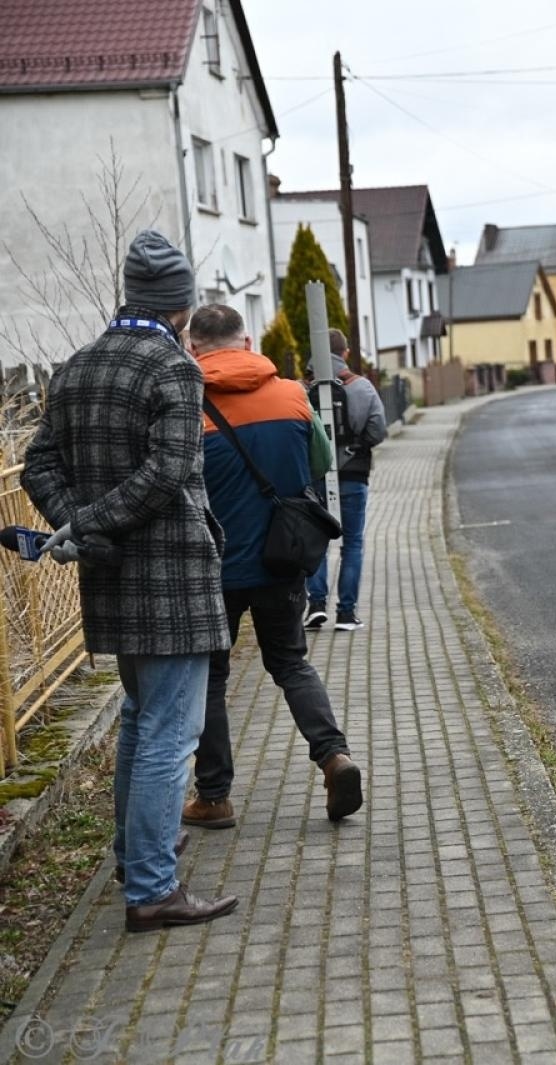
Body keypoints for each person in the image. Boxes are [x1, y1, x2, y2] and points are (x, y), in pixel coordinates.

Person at [22, 230, 239, 933]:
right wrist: (95, 525)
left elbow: (38, 466)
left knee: (144, 724)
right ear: (180, 306)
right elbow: (169, 471)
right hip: (171, 578)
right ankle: (151, 887)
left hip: (112, 579)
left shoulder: (78, 364)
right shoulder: (174, 368)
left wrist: (79, 525)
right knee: (170, 734)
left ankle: (133, 857)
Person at [181, 305, 365, 829]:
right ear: (247, 341)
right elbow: (321, 464)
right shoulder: (291, 394)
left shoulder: (186, 404)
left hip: (212, 566)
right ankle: (334, 757)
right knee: (290, 663)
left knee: (211, 678)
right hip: (283, 558)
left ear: (194, 349)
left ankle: (214, 798)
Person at [305, 328, 387, 632]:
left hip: (313, 477)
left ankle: (315, 606)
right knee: (352, 544)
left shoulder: (300, 389)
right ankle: (346, 613)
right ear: (346, 354)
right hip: (353, 475)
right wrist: (355, 446)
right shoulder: (362, 388)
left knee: (316, 543)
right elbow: (378, 430)